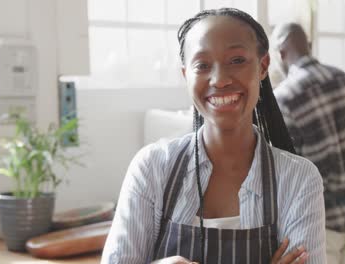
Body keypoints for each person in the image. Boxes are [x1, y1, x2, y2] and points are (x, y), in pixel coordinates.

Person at [102, 9, 326, 264]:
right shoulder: (153, 168)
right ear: (186, 75)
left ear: (262, 67)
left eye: (237, 60)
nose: (219, 80)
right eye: (203, 65)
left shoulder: (298, 179)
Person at [270, 23, 345, 264]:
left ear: (280, 53)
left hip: (314, 223)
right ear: (309, 46)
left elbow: (282, 174)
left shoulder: (284, 99)